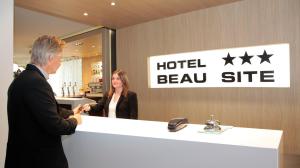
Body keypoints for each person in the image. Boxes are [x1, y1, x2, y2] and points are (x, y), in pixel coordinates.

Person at [5, 35, 83, 168]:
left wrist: (70, 112)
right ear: (50, 58)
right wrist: (75, 120)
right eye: (60, 58)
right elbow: (56, 126)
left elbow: (45, 110)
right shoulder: (37, 82)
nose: (60, 62)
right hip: (38, 160)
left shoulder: (22, 79)